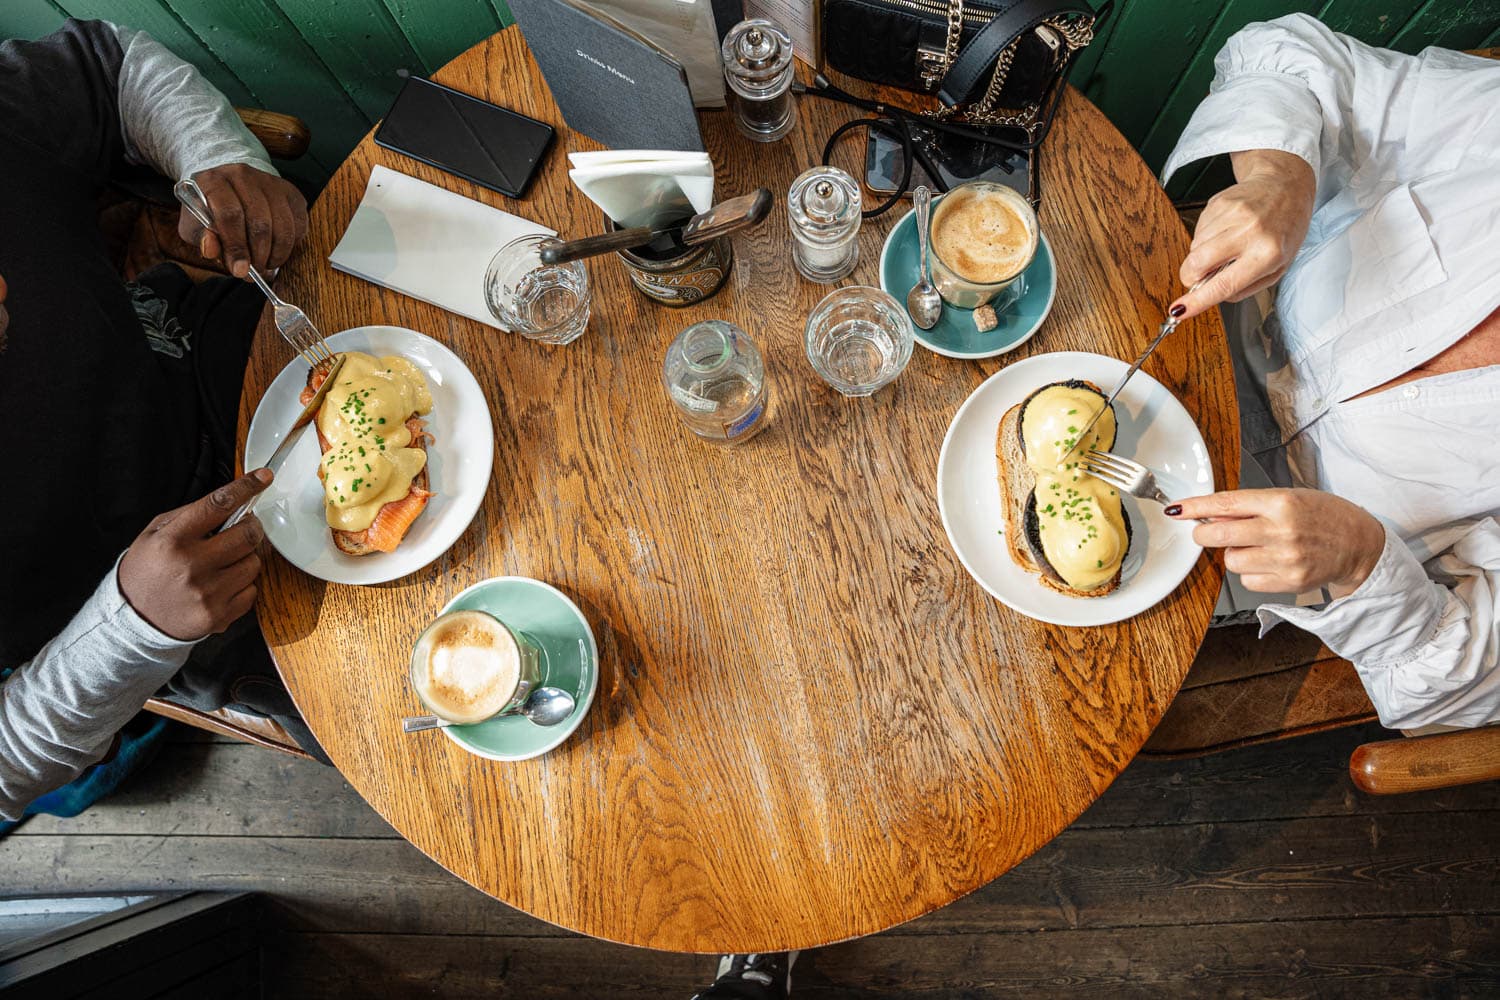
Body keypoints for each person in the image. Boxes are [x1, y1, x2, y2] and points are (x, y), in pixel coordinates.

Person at [0, 19, 316, 821]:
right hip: (187, 608)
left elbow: (105, 66)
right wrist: (133, 629)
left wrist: (214, 157)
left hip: (221, 352)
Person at [1154, 14, 1499, 730]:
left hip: (1249, 561)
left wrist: (1358, 560)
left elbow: (1443, 690)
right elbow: (1279, 52)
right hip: (1184, 308)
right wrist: (1282, 176)